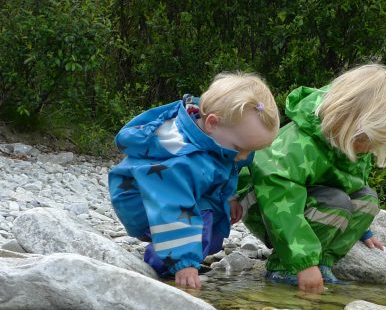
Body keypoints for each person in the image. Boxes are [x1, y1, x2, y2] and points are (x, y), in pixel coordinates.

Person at [237, 63, 386, 293]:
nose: (368, 149)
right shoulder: (298, 145)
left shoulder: (353, 143)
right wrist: (303, 262)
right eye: (366, 141)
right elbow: (279, 201)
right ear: (346, 122)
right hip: (263, 204)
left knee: (367, 199)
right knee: (336, 202)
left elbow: (351, 186)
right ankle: (285, 267)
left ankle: (322, 261)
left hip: (310, 200)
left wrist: (361, 229)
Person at [109, 73, 280, 289]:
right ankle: (166, 266)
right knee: (201, 221)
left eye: (250, 151)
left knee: (213, 227)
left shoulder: (221, 139)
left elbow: (227, 168)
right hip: (141, 197)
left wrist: (230, 198)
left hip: (168, 191)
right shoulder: (183, 160)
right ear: (212, 123)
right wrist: (183, 261)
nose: (244, 156)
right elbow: (173, 206)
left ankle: (184, 255)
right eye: (240, 148)